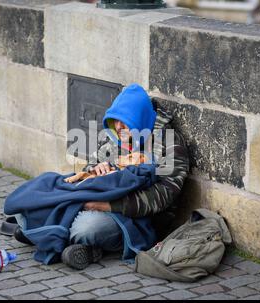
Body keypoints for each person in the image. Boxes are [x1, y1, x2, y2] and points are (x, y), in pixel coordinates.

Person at [59, 83, 190, 270]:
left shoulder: (169, 143)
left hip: (140, 219)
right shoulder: (116, 136)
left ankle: (67, 238)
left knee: (85, 227)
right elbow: (90, 168)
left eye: (125, 121)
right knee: (60, 197)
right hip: (101, 201)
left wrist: (107, 206)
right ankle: (67, 238)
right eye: (114, 121)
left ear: (138, 118)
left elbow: (163, 196)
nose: (118, 127)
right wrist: (98, 167)